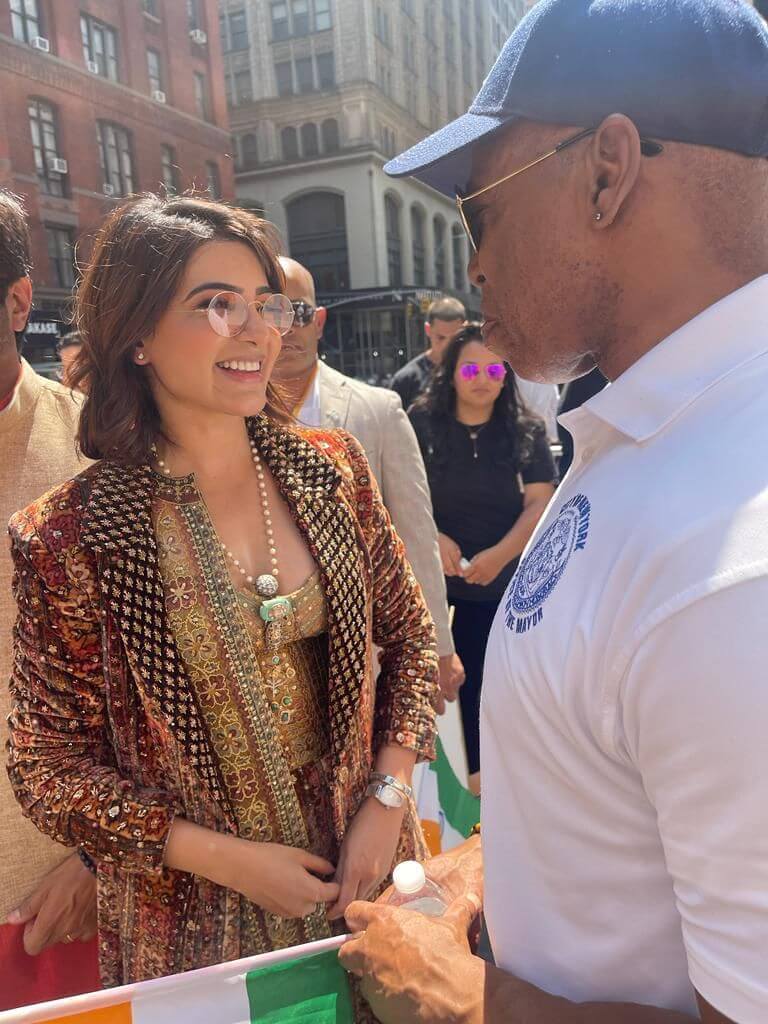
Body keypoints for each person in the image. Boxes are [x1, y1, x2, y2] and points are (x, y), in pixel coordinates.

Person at [339, 1, 768, 1022]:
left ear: (608, 170)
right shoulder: (655, 432)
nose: (473, 263)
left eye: (477, 208)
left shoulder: (733, 561)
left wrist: (474, 998)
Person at [6, 194, 438, 999]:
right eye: (215, 305)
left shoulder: (332, 470)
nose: (258, 331)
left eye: (265, 304)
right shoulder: (69, 535)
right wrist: (222, 857)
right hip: (196, 942)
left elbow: (411, 640)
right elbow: (45, 766)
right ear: (136, 334)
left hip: (373, 897)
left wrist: (388, 794)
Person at [271, 256, 464, 712]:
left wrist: (437, 642)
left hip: (368, 649)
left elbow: (414, 533)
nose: (285, 329)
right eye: (270, 312)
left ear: (318, 321)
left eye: (297, 313)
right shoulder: (222, 418)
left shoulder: (378, 410)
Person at [0, 191, 97, 1011]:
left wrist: (103, 861)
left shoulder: (97, 451)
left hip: (55, 916)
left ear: (19, 300)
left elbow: (183, 680)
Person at [409, 324, 555, 793]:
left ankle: (500, 789)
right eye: (471, 368)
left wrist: (498, 556)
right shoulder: (421, 424)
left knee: (501, 691)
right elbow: (401, 496)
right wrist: (433, 538)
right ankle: (450, 797)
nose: (483, 378)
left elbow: (538, 502)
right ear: (451, 373)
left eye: (494, 369)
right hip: (438, 589)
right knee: (442, 695)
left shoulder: (525, 429)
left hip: (503, 586)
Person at [389, 296, 465, 410]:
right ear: (428, 330)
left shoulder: (478, 371)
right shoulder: (406, 380)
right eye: (441, 338)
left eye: (455, 338)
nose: (447, 345)